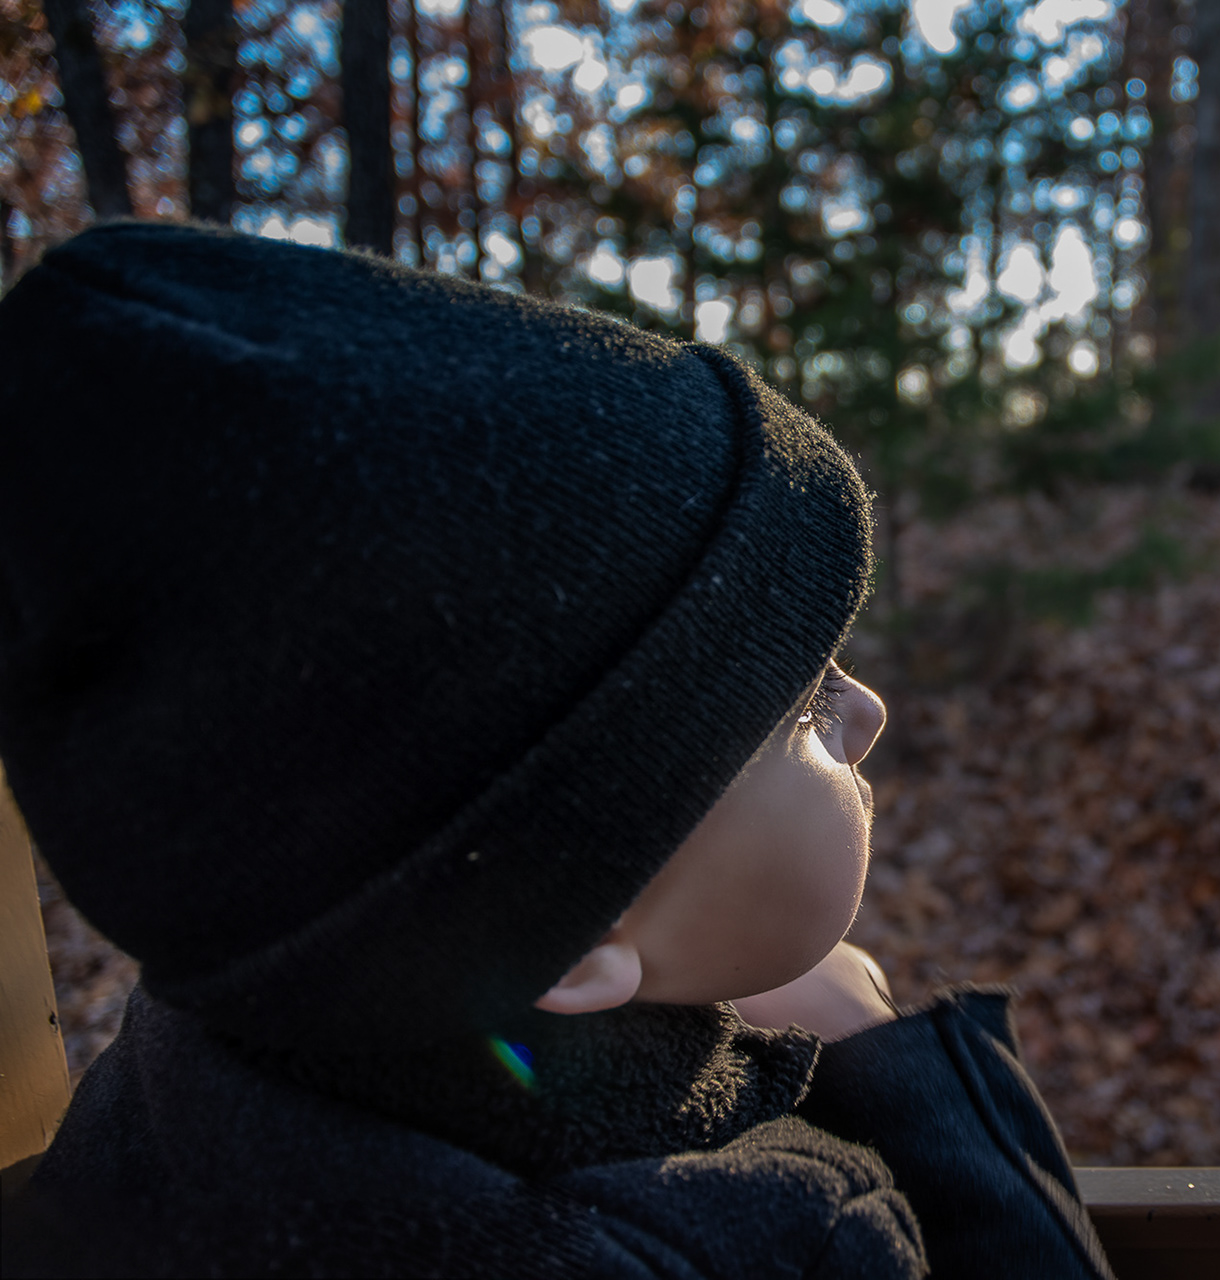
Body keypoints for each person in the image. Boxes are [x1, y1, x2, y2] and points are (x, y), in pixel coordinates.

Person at [0, 222, 1115, 1279]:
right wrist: (891, 1061)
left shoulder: (182, 1072)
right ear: (570, 950)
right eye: (802, 713)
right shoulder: (764, 1238)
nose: (866, 712)